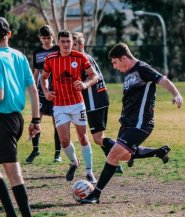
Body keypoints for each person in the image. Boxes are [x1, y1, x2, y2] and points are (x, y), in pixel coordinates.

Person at [80, 42, 183, 204]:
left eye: (115, 62)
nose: (114, 67)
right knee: (125, 155)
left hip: (141, 123)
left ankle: (96, 195)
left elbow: (163, 80)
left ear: (123, 58)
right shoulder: (128, 74)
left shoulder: (142, 68)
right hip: (127, 123)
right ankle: (158, 152)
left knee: (113, 154)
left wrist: (176, 94)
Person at [41, 30, 99, 183]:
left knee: (82, 137)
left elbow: (94, 76)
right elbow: (44, 78)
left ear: (73, 43)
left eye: (68, 42)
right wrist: (46, 91)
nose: (66, 44)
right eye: (63, 41)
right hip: (59, 105)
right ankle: (74, 162)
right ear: (58, 43)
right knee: (64, 140)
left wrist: (85, 84)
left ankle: (89, 172)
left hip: (77, 103)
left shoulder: (80, 57)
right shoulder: (51, 58)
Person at [0, 17, 39, 217]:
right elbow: (33, 91)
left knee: (14, 174)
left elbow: (0, 94)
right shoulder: (19, 55)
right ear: (9, 34)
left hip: (3, 121)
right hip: (17, 118)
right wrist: (36, 121)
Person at [72, 32, 123, 174]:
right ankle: (116, 163)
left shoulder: (83, 58)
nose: (71, 46)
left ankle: (124, 151)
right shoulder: (83, 58)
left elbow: (95, 77)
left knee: (98, 138)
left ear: (81, 45)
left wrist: (83, 84)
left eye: (74, 44)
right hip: (99, 99)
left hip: (95, 101)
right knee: (99, 136)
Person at [26, 25, 62, 163]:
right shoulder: (37, 52)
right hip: (41, 92)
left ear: (52, 37)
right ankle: (35, 150)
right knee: (36, 120)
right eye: (43, 38)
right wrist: (33, 88)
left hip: (56, 92)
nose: (46, 40)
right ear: (40, 38)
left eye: (48, 37)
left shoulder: (57, 50)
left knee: (56, 122)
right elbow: (36, 72)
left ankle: (57, 154)